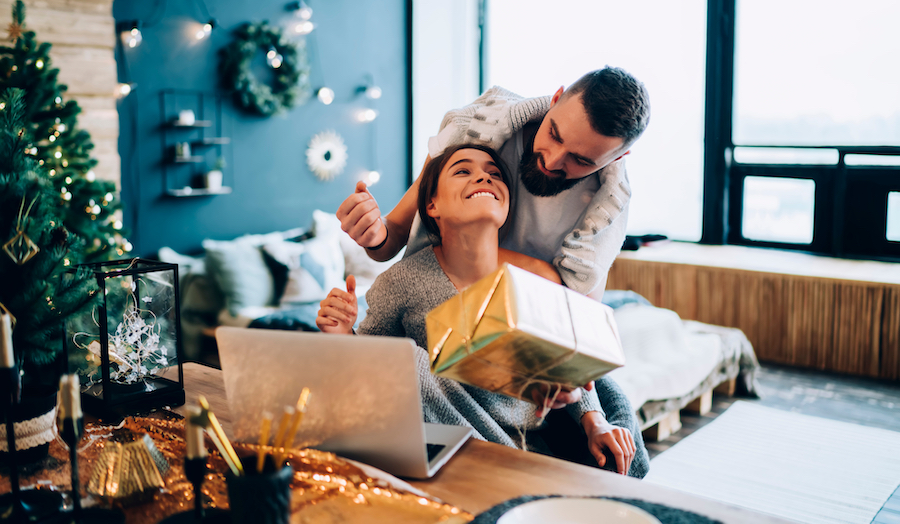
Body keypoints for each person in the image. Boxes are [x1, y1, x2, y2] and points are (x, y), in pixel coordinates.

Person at [317, 144, 649, 478]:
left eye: (494, 174)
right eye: (463, 170)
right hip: (452, 450)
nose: (483, 177)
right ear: (432, 204)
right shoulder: (401, 282)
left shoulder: (538, 276)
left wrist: (596, 423)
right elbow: (372, 368)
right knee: (410, 359)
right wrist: (344, 333)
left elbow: (567, 364)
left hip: (532, 444)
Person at [336, 66, 650, 298]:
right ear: (555, 99)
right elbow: (396, 237)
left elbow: (577, 309)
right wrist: (374, 233)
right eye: (554, 134)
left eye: (581, 160)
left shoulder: (606, 209)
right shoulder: (471, 131)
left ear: (616, 160)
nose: (552, 160)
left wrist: (462, 252)